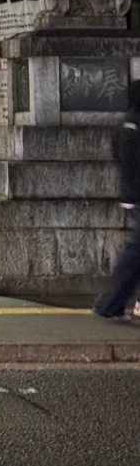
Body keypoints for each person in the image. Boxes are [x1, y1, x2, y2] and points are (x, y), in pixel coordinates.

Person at [94, 79, 140, 321]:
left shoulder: (125, 125)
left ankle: (115, 303)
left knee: (135, 253)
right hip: (137, 196)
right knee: (134, 253)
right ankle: (111, 303)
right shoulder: (133, 127)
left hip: (132, 195)